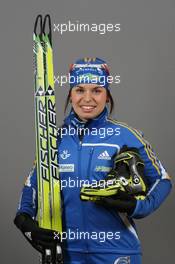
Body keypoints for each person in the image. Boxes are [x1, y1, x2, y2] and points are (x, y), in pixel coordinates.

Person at [14, 57, 172, 264]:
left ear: (107, 96)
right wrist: (24, 220)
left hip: (117, 252)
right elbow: (32, 187)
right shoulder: (53, 140)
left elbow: (163, 180)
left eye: (97, 90)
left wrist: (136, 206)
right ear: (70, 95)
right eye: (79, 90)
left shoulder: (126, 136)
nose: (87, 98)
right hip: (67, 254)